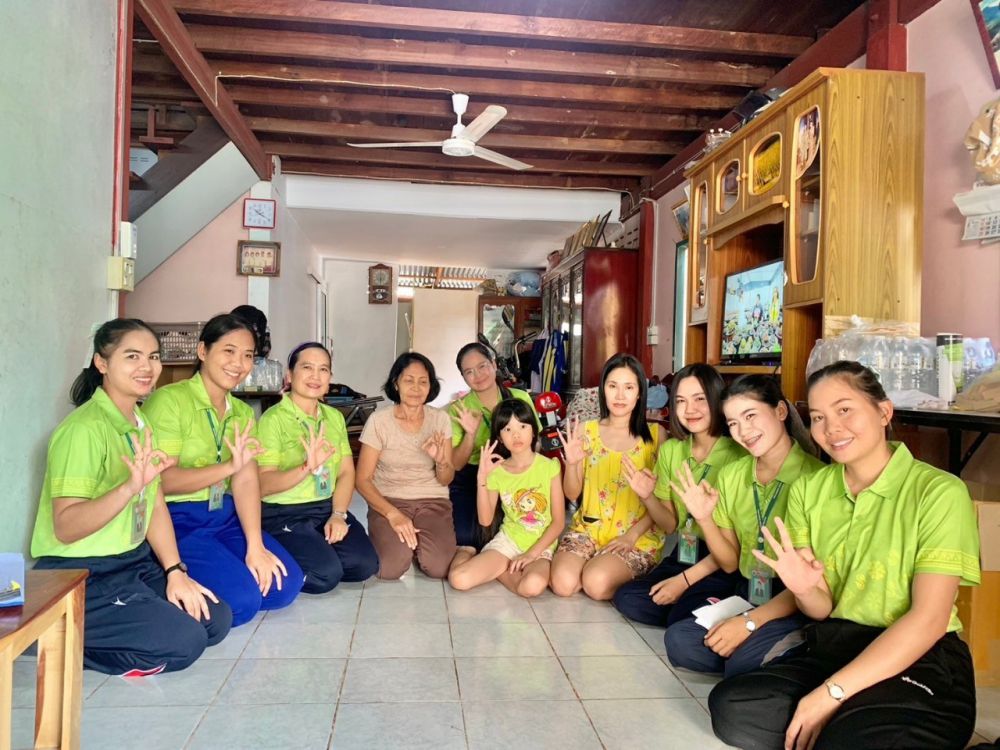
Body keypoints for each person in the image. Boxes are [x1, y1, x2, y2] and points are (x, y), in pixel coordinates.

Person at [709, 361, 981, 750]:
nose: (831, 428)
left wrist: (830, 692)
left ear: (883, 412)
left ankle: (851, 720)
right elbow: (821, 609)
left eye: (844, 409)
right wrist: (805, 589)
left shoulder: (939, 491)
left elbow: (929, 619)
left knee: (845, 738)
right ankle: (851, 720)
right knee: (732, 706)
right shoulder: (810, 490)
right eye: (819, 417)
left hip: (919, 652)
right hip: (837, 643)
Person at [32, 319, 231, 674]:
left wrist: (175, 571)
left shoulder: (140, 423)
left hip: (132, 562)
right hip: (82, 571)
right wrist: (128, 487)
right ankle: (47, 634)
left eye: (153, 357)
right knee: (185, 642)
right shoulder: (83, 429)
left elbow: (154, 504)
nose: (147, 367)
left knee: (215, 620)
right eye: (132, 356)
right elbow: (66, 527)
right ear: (102, 363)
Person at [143, 313, 303, 626]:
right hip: (178, 519)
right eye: (228, 351)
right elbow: (162, 480)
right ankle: (163, 574)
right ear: (203, 351)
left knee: (285, 587)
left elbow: (246, 482)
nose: (238, 364)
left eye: (248, 355)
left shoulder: (242, 412)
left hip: (223, 515)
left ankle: (219, 570)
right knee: (243, 603)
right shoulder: (170, 401)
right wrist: (228, 467)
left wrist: (255, 546)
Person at [662, 375, 824, 677]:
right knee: (679, 640)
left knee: (739, 661)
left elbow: (812, 582)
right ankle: (758, 655)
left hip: (794, 598)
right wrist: (704, 518)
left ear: (780, 411)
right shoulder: (733, 475)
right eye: (733, 423)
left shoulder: (816, 479)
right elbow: (729, 561)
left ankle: (769, 652)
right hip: (747, 589)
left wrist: (749, 623)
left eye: (750, 416)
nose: (743, 431)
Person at [612, 363, 746, 626]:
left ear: (717, 399)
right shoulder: (672, 450)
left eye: (700, 399)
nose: (690, 409)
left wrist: (684, 582)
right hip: (684, 551)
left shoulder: (738, 456)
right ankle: (696, 610)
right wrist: (647, 496)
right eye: (681, 401)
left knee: (679, 614)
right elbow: (670, 524)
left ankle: (693, 609)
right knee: (627, 597)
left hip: (720, 556)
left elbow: (735, 550)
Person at [256, 342, 379, 594]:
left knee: (364, 565)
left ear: (330, 377)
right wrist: (305, 467)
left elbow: (346, 472)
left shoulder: (333, 417)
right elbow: (263, 485)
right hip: (284, 513)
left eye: (323, 369)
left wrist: (338, 514)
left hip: (324, 507)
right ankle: (272, 550)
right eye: (307, 367)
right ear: (290, 375)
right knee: (325, 576)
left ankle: (314, 550)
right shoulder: (272, 420)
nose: (316, 376)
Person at [550, 354, 666, 601]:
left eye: (629, 387)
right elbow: (572, 493)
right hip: (589, 529)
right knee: (562, 583)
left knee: (596, 583)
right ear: (603, 390)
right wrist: (572, 464)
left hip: (636, 535)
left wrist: (631, 536)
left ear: (639, 393)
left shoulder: (656, 436)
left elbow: (662, 501)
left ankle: (605, 568)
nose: (620, 395)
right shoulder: (586, 430)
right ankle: (597, 564)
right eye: (613, 386)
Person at [448, 398, 564, 597]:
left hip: (541, 546)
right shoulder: (497, 471)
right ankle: (468, 553)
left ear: (533, 430)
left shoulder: (549, 467)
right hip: (508, 542)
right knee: (459, 579)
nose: (516, 434)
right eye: (507, 429)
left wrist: (531, 554)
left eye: (522, 426)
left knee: (532, 586)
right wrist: (482, 479)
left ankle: (500, 569)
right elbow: (485, 520)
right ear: (500, 437)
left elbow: (559, 522)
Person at [356, 352, 456, 579]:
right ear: (396, 383)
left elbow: (446, 479)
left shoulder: (440, 420)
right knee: (389, 569)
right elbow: (362, 480)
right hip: (389, 499)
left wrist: (441, 461)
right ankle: (402, 544)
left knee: (439, 568)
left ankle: (418, 546)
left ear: (430, 386)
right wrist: (393, 515)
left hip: (432, 500)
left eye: (423, 381)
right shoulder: (379, 421)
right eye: (409, 380)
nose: (416, 388)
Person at [448, 342, 539, 548]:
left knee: (519, 530)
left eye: (482, 366)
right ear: (463, 377)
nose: (478, 375)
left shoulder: (520, 397)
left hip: (515, 471)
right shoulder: (459, 409)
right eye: (469, 372)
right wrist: (470, 434)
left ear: (494, 364)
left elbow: (536, 442)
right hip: (472, 476)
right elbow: (456, 464)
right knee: (467, 538)